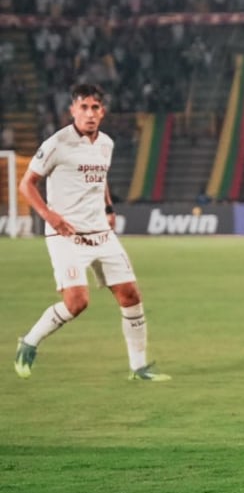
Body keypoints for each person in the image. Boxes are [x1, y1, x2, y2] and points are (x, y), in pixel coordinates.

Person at [14, 84, 168, 381]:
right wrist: (50, 216)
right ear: (72, 110)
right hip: (67, 235)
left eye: (95, 108)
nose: (89, 113)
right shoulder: (57, 143)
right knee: (77, 302)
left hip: (101, 233)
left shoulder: (106, 144)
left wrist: (109, 208)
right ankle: (29, 341)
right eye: (83, 107)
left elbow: (100, 181)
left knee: (130, 295)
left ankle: (138, 367)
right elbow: (26, 184)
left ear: (103, 112)